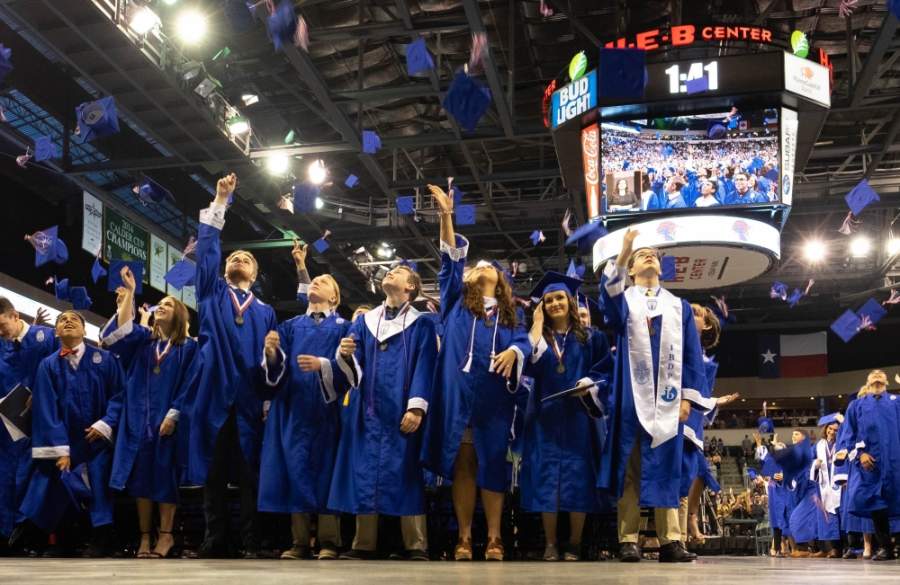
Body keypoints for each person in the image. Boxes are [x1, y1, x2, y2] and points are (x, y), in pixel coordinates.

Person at [420, 184, 531, 561]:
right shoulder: (454, 302)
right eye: (476, 266)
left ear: (502, 282)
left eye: (489, 267)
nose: (480, 267)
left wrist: (515, 351)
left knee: (492, 463)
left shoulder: (511, 314)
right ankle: (465, 538)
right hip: (457, 394)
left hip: (494, 398)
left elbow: (525, 342)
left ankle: (496, 537)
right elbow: (449, 258)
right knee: (463, 464)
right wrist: (446, 215)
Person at [597, 229, 716, 563]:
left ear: (662, 269)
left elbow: (692, 356)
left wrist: (688, 400)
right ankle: (628, 539)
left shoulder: (678, 307)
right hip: (631, 397)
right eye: (641, 255)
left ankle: (671, 541)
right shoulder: (625, 300)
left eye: (653, 255)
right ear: (631, 270)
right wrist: (623, 251)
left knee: (667, 466)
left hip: (669, 400)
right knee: (630, 467)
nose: (648, 256)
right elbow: (608, 304)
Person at [187, 172, 278, 558]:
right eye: (234, 257)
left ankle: (251, 542)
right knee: (212, 474)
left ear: (255, 276)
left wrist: (273, 362)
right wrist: (220, 200)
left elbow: (273, 365)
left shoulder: (266, 311)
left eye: (246, 259)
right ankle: (214, 540)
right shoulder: (210, 293)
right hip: (212, 395)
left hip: (248, 400)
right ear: (224, 270)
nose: (238, 259)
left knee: (249, 476)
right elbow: (207, 250)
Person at [329, 263, 437, 561]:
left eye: (399, 270)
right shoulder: (365, 322)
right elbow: (354, 371)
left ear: (411, 287)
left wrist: (417, 407)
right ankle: (363, 544)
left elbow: (425, 366)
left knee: (406, 473)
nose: (390, 271)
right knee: (366, 471)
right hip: (370, 409)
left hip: (402, 408)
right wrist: (345, 354)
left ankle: (415, 544)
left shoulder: (423, 324)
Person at [258, 241, 348, 560]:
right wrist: (271, 353)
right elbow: (277, 366)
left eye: (324, 282)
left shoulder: (345, 328)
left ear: (335, 297)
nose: (317, 284)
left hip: (328, 410)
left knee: (326, 472)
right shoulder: (291, 326)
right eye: (314, 281)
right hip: (294, 409)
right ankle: (298, 542)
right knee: (294, 468)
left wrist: (326, 367)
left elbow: (350, 371)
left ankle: (328, 540)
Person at [100, 267, 198, 558]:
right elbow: (116, 335)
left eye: (168, 305)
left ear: (179, 314)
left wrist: (175, 413)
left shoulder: (189, 348)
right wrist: (130, 293)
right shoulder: (144, 342)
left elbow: (191, 384)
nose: (161, 308)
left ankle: (165, 536)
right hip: (137, 421)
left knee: (164, 477)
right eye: (159, 305)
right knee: (141, 479)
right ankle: (145, 537)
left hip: (167, 420)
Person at [520, 272, 612, 561]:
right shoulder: (539, 338)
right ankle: (550, 543)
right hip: (545, 417)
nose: (554, 303)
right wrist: (535, 324)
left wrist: (588, 384)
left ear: (570, 301)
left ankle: (573, 542)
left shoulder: (592, 336)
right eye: (548, 300)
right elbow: (527, 364)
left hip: (579, 417)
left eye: (559, 298)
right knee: (547, 479)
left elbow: (605, 371)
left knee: (579, 478)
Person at [20, 310, 124, 557]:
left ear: (84, 331)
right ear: (56, 332)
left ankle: (103, 539)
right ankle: (65, 541)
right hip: (66, 441)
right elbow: (47, 409)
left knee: (100, 481)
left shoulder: (105, 359)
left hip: (99, 439)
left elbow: (120, 396)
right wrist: (60, 449)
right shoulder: (48, 365)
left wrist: (105, 424)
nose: (67, 321)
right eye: (61, 320)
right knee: (60, 482)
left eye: (74, 320)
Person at [680, 304, 738, 546]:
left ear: (706, 325)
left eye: (697, 314)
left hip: (690, 417)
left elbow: (703, 396)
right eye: (689, 311)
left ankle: (689, 519)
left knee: (697, 472)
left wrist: (714, 402)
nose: (691, 315)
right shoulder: (668, 344)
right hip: (659, 414)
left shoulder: (708, 364)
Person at [0, 300, 57, 547]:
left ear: (14, 315)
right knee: (6, 478)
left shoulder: (46, 337)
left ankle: (30, 534)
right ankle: (6, 534)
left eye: (2, 326)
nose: (0, 333)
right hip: (8, 428)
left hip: (41, 425)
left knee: (36, 477)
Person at [834, 369, 900, 561]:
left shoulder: (897, 403)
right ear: (868, 381)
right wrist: (860, 454)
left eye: (881, 374)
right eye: (874, 374)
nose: (877, 375)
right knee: (876, 505)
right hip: (871, 466)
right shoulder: (856, 406)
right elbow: (848, 436)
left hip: (895, 462)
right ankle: (886, 547)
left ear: (886, 381)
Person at [811, 413, 843, 558]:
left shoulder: (842, 443)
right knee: (828, 517)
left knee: (841, 516)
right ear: (826, 429)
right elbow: (809, 463)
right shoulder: (818, 445)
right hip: (824, 486)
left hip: (840, 486)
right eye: (830, 429)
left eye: (836, 430)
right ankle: (833, 549)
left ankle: (848, 548)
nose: (832, 432)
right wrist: (815, 465)